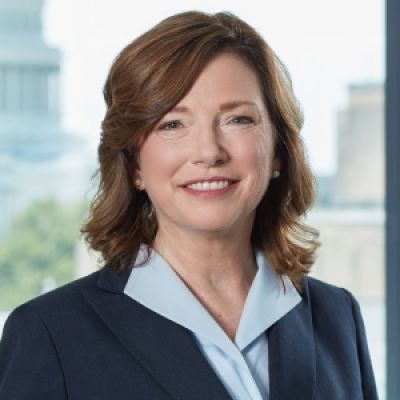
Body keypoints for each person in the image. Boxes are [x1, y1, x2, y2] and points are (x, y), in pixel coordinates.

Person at [0, 10, 378, 400]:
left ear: (279, 150)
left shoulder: (337, 317)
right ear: (134, 165)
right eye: (172, 124)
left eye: (237, 119)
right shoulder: (51, 334)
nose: (208, 152)